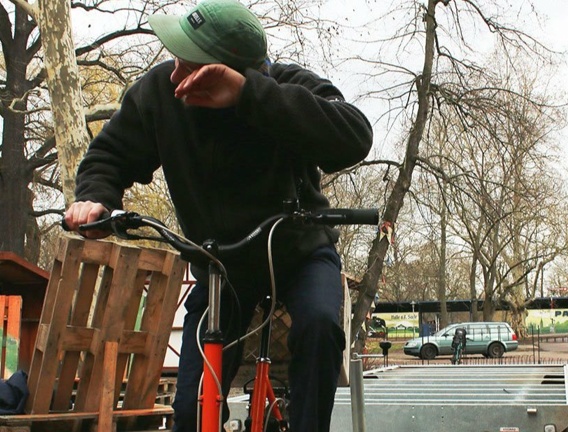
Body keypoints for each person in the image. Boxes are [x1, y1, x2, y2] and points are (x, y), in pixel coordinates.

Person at [62, 0, 373, 431]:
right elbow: (109, 156)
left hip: (300, 253)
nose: (175, 75)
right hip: (220, 266)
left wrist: (250, 95)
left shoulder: (284, 87)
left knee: (320, 327)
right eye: (176, 59)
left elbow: (353, 136)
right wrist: (95, 197)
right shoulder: (160, 93)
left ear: (231, 73)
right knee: (191, 408)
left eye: (189, 67)